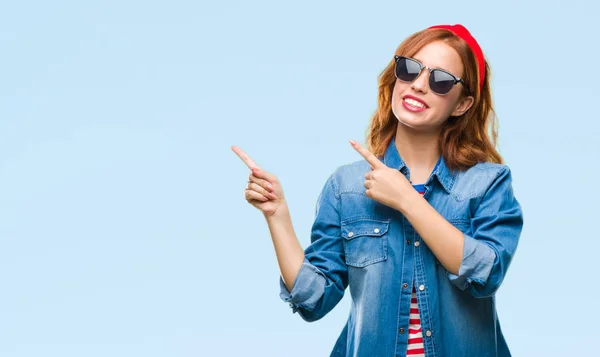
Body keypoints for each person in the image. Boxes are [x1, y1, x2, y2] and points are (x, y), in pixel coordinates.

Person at [232, 23, 524, 357]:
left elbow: (486, 274)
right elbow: (313, 300)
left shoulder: (488, 183)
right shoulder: (346, 188)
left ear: (462, 104)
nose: (418, 85)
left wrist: (407, 200)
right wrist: (278, 216)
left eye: (440, 80)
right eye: (409, 69)